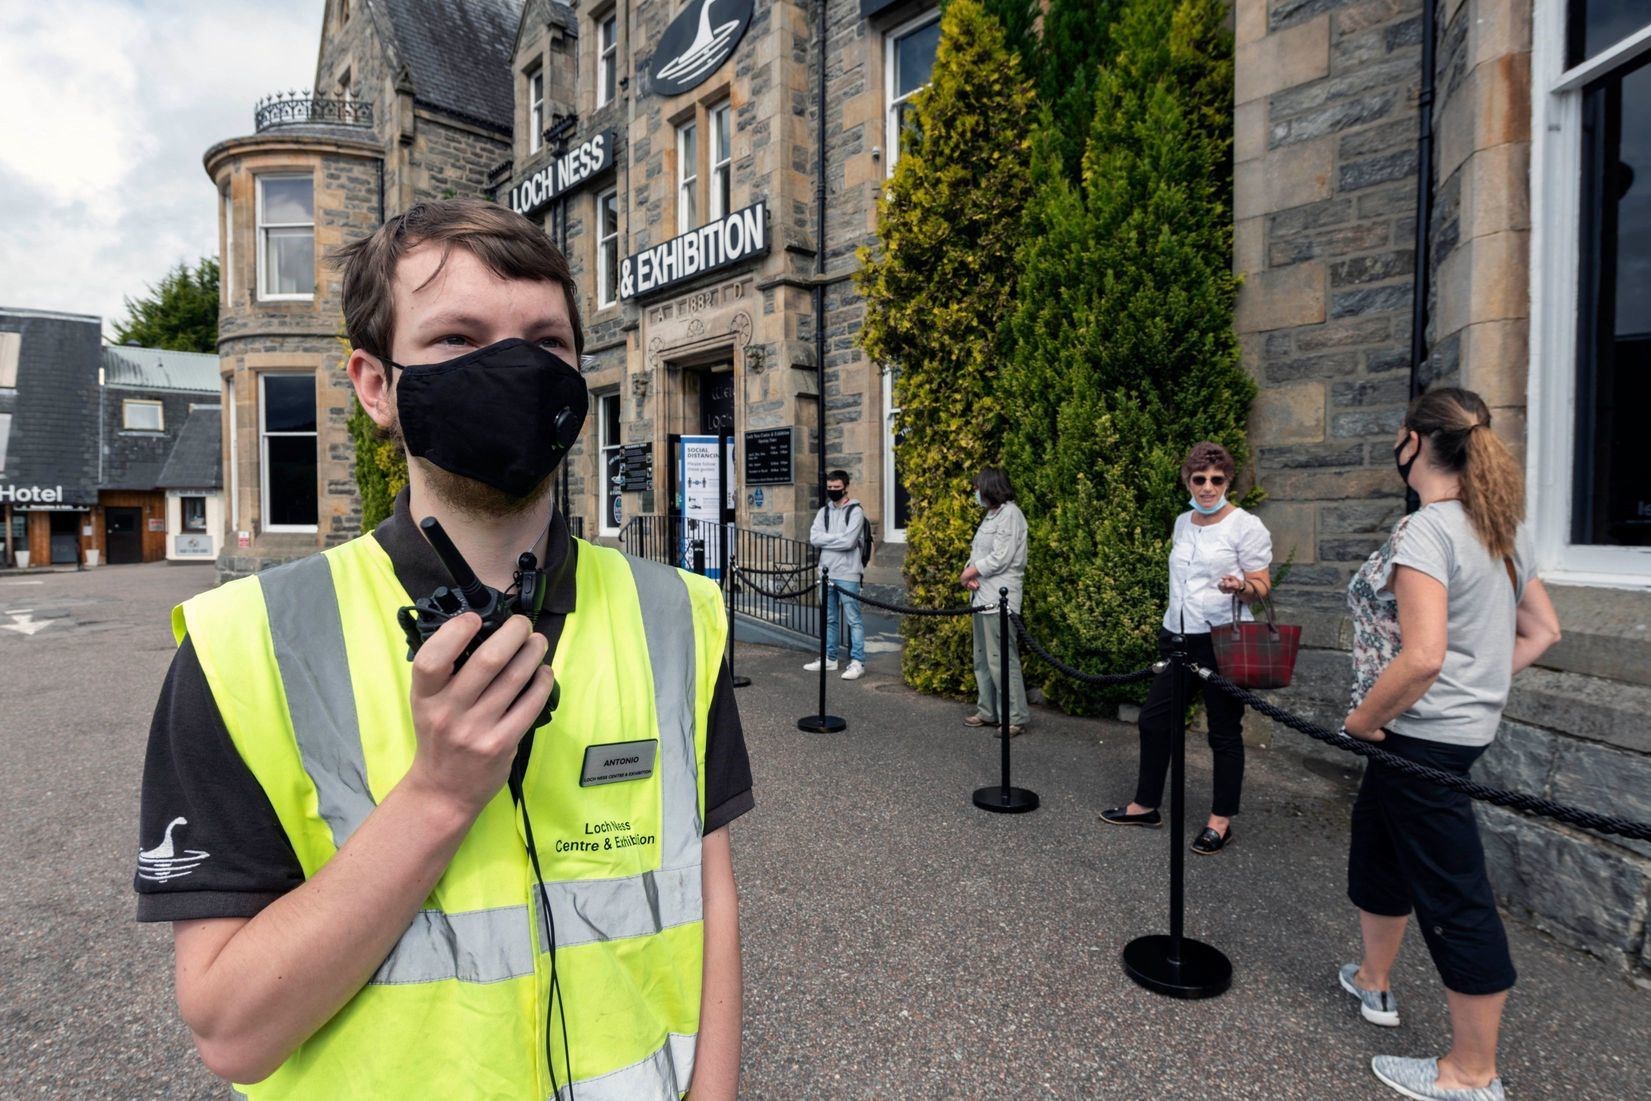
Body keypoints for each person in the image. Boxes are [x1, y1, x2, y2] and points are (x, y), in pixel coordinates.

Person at [133, 200, 750, 1099]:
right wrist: (434, 797)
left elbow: (710, 899)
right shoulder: (242, 646)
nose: (514, 368)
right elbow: (232, 1031)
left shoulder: (678, 614)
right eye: (458, 339)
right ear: (376, 385)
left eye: (546, 340)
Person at [1337, 388, 1560, 1101]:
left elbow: (1423, 656)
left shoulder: (1427, 530)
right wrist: (1478, 683)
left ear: (1412, 440)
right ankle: (1372, 979)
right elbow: (1540, 633)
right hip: (1439, 733)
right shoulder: (1499, 528)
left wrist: (1363, 722)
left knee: (1453, 895)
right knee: (1379, 848)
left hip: (1417, 736)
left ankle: (1470, 1072)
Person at [1101, 441, 1272, 855]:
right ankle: (1146, 805)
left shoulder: (1246, 525)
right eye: (1200, 479)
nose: (1208, 487)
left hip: (1223, 639)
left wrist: (1242, 586)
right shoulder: (1182, 522)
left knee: (1224, 732)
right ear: (1188, 481)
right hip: (1177, 636)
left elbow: (1263, 586)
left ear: (1228, 481)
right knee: (1155, 721)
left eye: (1217, 479)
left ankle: (1220, 820)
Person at [960, 468, 1029, 735]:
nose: (975, 492)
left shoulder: (1010, 514)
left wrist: (970, 572)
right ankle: (988, 710)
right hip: (981, 595)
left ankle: (1014, 716)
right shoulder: (991, 516)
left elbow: (1002, 557)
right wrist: (971, 575)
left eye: (977, 488)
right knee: (982, 658)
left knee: (1001, 658)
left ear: (990, 487)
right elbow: (979, 553)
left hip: (1000, 598)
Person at [806, 468, 867, 680]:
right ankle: (830, 658)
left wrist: (828, 539)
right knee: (829, 618)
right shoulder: (823, 512)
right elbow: (814, 538)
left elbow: (850, 542)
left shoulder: (855, 511)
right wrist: (837, 539)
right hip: (826, 572)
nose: (833, 491)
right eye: (830, 488)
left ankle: (857, 661)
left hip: (848, 573)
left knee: (853, 619)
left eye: (837, 488)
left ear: (846, 487)